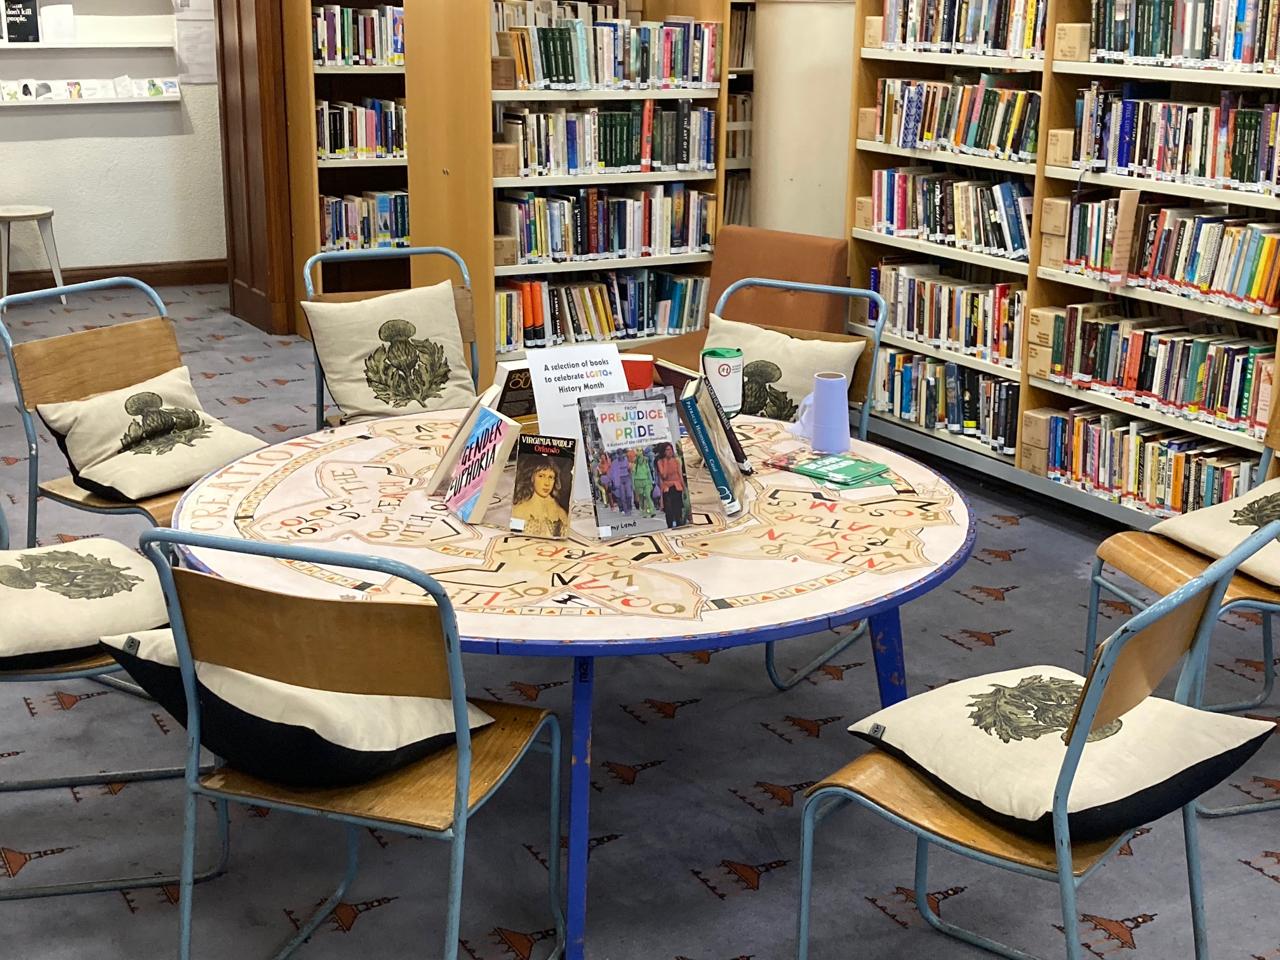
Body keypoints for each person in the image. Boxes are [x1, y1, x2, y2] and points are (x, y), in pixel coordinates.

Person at [510, 457, 570, 538]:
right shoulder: (519, 510)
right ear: (531, 477)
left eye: (551, 477)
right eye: (541, 476)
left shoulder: (560, 513)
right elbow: (513, 538)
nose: (547, 483)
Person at [656, 442, 686, 529]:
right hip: (667, 487)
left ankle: (679, 524)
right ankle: (669, 526)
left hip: (676, 486)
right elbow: (663, 475)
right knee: (668, 510)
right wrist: (665, 461)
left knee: (677, 509)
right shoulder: (660, 462)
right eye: (667, 450)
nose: (670, 452)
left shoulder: (676, 460)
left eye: (671, 450)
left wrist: (684, 488)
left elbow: (680, 475)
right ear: (664, 451)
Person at [629, 448, 656, 517]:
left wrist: (651, 481)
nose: (640, 453)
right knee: (641, 498)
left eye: (641, 451)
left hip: (646, 481)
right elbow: (633, 475)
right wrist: (633, 485)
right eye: (638, 451)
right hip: (638, 481)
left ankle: (651, 510)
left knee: (647, 496)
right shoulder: (634, 463)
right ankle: (643, 511)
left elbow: (648, 472)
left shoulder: (645, 461)